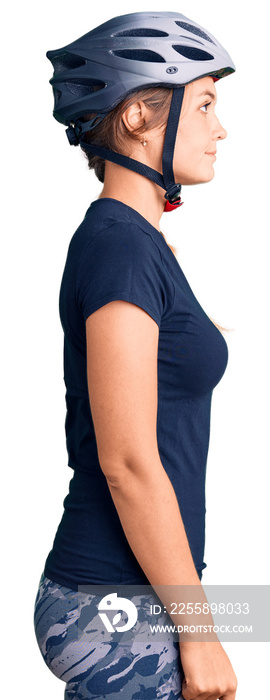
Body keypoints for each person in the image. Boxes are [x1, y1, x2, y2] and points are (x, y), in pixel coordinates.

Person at [33, 11, 238, 700]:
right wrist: (202, 635)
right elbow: (127, 461)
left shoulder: (135, 246)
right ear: (137, 117)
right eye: (205, 104)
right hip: (112, 602)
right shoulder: (120, 245)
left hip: (136, 595)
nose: (221, 129)